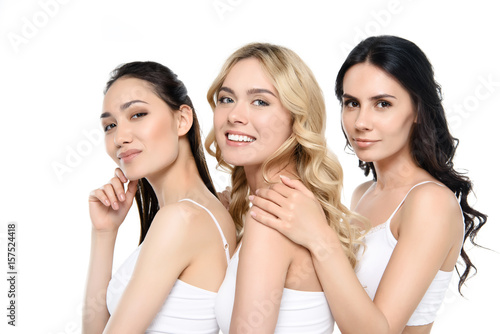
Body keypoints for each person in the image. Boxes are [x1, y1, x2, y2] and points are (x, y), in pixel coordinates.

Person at [249, 35, 488, 333]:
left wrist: (320, 237)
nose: (361, 122)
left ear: (417, 110)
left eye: (382, 104)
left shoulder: (430, 202)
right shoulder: (363, 194)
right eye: (351, 103)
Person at [204, 42, 363, 333]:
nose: (234, 116)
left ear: (296, 119)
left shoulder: (273, 215)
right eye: (226, 99)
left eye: (260, 102)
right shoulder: (285, 204)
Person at [82, 61, 236, 334]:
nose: (120, 137)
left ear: (182, 120)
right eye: (109, 126)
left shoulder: (181, 219)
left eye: (138, 114)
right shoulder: (200, 212)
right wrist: (103, 233)